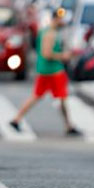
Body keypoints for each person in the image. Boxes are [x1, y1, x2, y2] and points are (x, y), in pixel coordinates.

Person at [10, 8, 82, 136]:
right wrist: (63, 56)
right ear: (56, 18)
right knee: (60, 98)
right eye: (62, 19)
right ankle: (68, 125)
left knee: (40, 96)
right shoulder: (50, 34)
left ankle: (17, 119)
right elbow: (47, 53)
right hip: (53, 71)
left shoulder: (47, 31)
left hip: (45, 70)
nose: (64, 22)